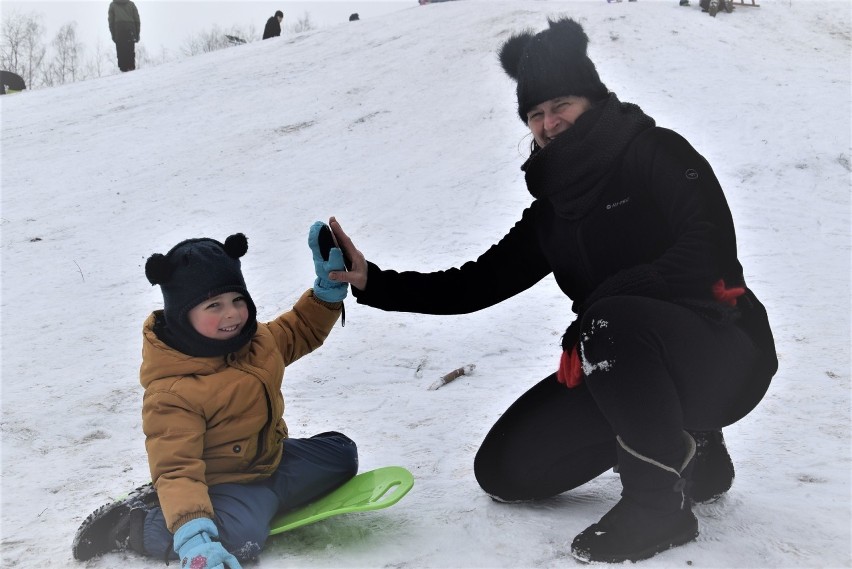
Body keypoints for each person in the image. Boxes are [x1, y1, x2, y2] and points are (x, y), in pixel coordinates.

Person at [328, 17, 777, 564]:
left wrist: (606, 307)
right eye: (534, 114)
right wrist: (374, 281)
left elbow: (710, 247)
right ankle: (690, 451)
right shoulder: (554, 211)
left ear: (591, 100)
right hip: (621, 359)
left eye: (559, 104)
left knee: (610, 321)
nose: (547, 122)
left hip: (723, 351)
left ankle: (658, 504)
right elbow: (479, 281)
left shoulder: (655, 152)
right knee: (506, 470)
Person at [72, 226, 358, 567]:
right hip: (223, 484)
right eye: (214, 305)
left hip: (273, 462)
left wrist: (326, 292)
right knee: (240, 540)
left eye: (238, 300)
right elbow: (177, 467)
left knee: (342, 454)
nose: (232, 314)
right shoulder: (173, 390)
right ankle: (135, 525)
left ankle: (257, 502)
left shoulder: (257, 342)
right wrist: (193, 539)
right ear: (182, 314)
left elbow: (299, 329)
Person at [107, 0, 140, 72]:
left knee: (121, 52)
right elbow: (137, 20)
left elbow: (111, 22)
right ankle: (131, 70)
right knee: (130, 51)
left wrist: (113, 35)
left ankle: (123, 72)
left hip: (119, 29)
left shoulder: (112, 5)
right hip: (130, 28)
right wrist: (137, 34)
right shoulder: (131, 4)